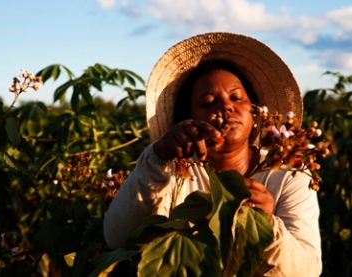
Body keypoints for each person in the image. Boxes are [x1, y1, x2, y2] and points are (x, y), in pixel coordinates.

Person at [103, 32, 322, 276]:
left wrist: (267, 226)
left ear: (255, 113)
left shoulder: (288, 176)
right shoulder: (170, 169)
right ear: (188, 119)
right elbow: (118, 238)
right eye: (207, 102)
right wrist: (158, 157)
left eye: (236, 97)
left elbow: (309, 270)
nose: (225, 106)